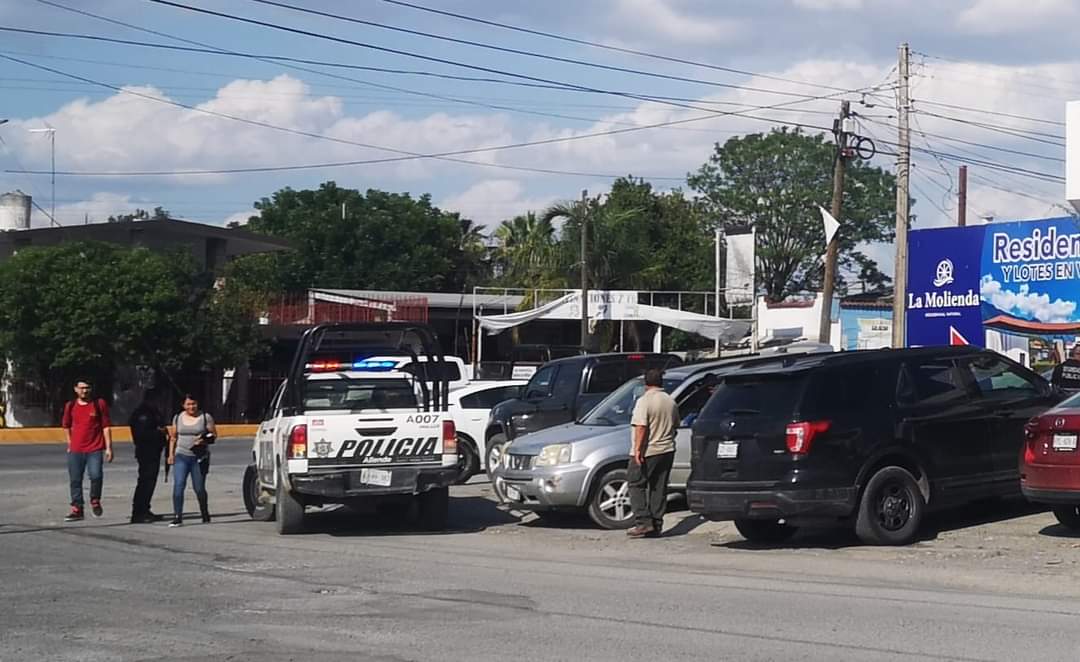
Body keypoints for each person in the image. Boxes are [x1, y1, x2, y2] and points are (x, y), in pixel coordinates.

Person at [626, 369, 679, 539]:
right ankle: (656, 524)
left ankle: (643, 522)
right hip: (667, 449)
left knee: (636, 484)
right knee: (659, 487)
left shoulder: (644, 401)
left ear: (645, 383)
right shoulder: (670, 401)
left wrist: (637, 451)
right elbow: (676, 425)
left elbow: (641, 427)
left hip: (649, 450)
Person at [62, 379, 113, 522]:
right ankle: (77, 508)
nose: (85, 391)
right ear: (76, 389)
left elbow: (106, 426)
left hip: (94, 448)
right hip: (76, 450)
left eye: (87, 388)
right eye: (82, 388)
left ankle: (95, 500)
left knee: (96, 475)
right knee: (75, 480)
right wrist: (70, 443)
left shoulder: (99, 404)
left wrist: (109, 448)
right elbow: (66, 426)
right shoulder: (70, 406)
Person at [166, 394, 217, 527]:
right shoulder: (178, 418)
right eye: (188, 404)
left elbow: (214, 435)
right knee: (179, 485)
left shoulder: (205, 417)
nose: (191, 407)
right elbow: (173, 437)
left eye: (193, 404)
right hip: (181, 455)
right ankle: (177, 516)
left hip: (199, 458)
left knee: (199, 488)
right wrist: (170, 454)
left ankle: (204, 512)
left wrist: (203, 440)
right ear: (183, 405)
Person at [129, 394, 167, 523]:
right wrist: (159, 432)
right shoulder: (143, 414)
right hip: (146, 452)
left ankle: (145, 509)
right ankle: (138, 512)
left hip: (154, 452)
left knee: (150, 482)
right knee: (145, 482)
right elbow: (141, 434)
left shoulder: (153, 411)